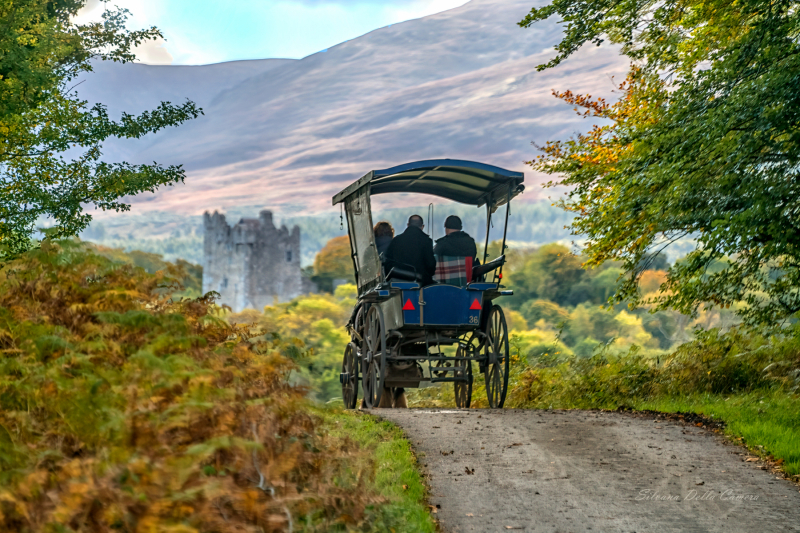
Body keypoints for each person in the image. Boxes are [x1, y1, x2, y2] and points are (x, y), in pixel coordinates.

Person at [384, 214, 436, 286]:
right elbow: (431, 266)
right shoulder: (427, 241)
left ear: (408, 225)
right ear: (422, 226)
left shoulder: (396, 240)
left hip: (398, 282)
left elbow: (388, 263)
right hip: (421, 283)